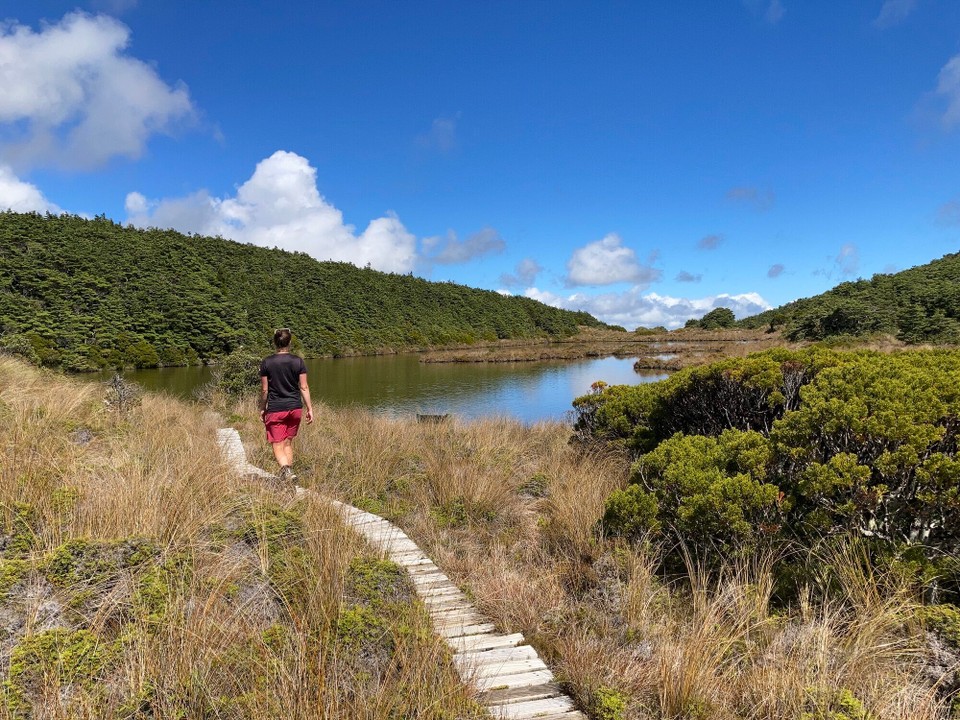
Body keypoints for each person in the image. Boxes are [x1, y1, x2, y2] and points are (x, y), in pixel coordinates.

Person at [259, 328, 313, 483]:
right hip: (295, 408)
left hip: (276, 409)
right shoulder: (298, 361)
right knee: (288, 442)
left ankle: (286, 471)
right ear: (290, 342)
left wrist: (262, 408)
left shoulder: (267, 362)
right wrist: (309, 408)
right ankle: (289, 477)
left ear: (275, 342)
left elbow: (264, 390)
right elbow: (304, 387)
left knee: (277, 444)